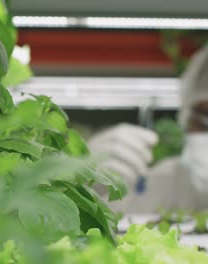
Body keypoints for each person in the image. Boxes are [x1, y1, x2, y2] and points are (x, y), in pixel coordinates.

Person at [88, 44, 208, 213]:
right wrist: (87, 183)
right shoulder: (163, 184)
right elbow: (111, 216)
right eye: (203, 121)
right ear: (185, 119)